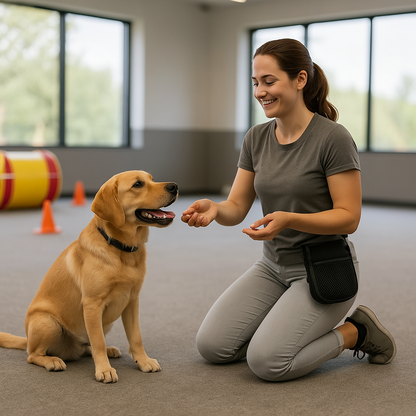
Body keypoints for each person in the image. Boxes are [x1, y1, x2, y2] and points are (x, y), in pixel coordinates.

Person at [181, 38, 396, 381]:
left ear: (299, 79)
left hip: (322, 271)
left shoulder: (333, 138)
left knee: (267, 363)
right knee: (213, 347)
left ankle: (357, 331)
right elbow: (236, 206)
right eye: (255, 83)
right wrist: (214, 209)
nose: (260, 91)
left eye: (269, 81)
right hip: (272, 266)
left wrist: (289, 219)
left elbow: (349, 218)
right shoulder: (256, 138)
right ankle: (280, 325)